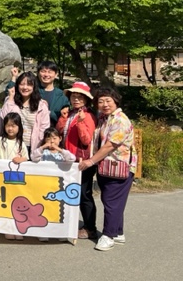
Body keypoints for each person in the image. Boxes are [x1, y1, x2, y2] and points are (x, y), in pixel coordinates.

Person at [78, 87, 137, 252]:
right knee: (112, 200)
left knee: (111, 201)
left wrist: (91, 161)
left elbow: (110, 145)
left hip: (119, 166)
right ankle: (117, 232)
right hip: (107, 166)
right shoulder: (104, 118)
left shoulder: (120, 120)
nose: (104, 104)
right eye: (101, 101)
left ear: (115, 101)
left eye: (108, 100)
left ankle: (108, 236)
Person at [56, 81, 97, 240]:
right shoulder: (70, 113)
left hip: (82, 161)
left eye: (80, 97)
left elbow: (86, 140)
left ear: (86, 99)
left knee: (84, 195)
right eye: (74, 96)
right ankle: (71, 224)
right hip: (69, 160)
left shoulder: (88, 116)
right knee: (69, 192)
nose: (76, 99)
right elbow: (60, 132)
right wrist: (63, 118)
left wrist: (80, 123)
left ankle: (90, 228)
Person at [0, 112, 28, 241]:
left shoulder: (21, 143)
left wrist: (21, 159)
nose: (10, 128)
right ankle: (7, 228)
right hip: (2, 178)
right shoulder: (1, 140)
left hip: (16, 179)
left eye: (13, 126)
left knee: (17, 204)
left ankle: (17, 228)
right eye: (8, 125)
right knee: (5, 203)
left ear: (19, 127)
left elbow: (26, 158)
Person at [0, 71, 50, 155]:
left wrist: (39, 147)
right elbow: (3, 119)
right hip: (12, 145)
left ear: (34, 87)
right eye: (22, 84)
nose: (25, 87)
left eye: (29, 84)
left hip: (33, 147)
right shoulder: (11, 101)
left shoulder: (41, 106)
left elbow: (44, 128)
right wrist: (11, 98)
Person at [36, 61, 70, 127]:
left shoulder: (62, 96)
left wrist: (48, 112)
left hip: (54, 131)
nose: (46, 75)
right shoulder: (31, 92)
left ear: (56, 74)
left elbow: (64, 118)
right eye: (43, 71)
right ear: (38, 73)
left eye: (50, 72)